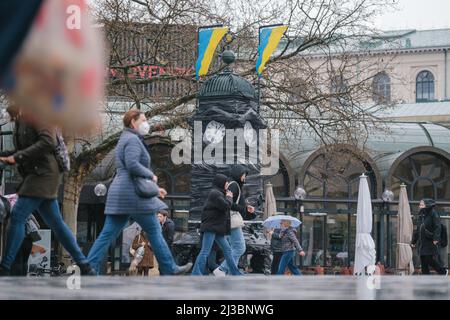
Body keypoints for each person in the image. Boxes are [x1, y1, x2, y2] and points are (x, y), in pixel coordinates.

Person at [87, 109, 192, 275]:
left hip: (122, 195)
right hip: (133, 196)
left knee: (107, 234)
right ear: (133, 122)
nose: (146, 123)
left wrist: (155, 188)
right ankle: (169, 268)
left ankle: (88, 266)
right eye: (143, 120)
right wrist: (151, 175)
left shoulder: (126, 138)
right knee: (155, 232)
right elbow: (132, 165)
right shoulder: (133, 141)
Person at [0, 105, 94, 276]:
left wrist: (16, 157)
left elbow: (47, 141)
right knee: (57, 224)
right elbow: (22, 149)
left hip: (44, 174)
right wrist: (6, 157)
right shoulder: (20, 119)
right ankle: (85, 265)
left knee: (18, 215)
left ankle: (5, 267)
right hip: (36, 173)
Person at [191, 174, 242, 276]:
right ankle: (196, 273)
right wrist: (229, 197)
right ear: (221, 183)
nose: (227, 184)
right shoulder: (215, 194)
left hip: (216, 227)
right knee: (205, 251)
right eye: (226, 182)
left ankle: (236, 273)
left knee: (227, 249)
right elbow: (226, 206)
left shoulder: (218, 193)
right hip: (211, 227)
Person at [214, 165, 255, 276]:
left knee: (235, 248)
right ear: (238, 173)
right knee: (240, 248)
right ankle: (221, 269)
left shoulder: (236, 185)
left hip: (230, 221)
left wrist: (246, 209)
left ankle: (233, 273)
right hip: (232, 221)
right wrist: (243, 208)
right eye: (244, 174)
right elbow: (228, 204)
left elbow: (234, 204)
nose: (245, 177)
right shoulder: (234, 185)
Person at [411, 199, 448, 275]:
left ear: (427, 205)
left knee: (428, 259)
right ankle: (426, 277)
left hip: (430, 241)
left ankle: (443, 271)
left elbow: (437, 227)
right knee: (423, 260)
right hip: (423, 241)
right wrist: (414, 241)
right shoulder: (421, 214)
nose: (419, 206)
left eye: (421, 205)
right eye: (420, 204)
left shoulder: (433, 213)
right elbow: (418, 229)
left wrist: (436, 238)